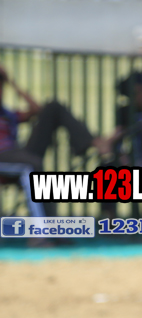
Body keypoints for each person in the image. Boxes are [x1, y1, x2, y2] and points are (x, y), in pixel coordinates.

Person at [0, 64, 110, 218]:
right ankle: (43, 227)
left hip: (17, 153)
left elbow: (36, 109)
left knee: (53, 108)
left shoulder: (7, 114)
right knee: (33, 165)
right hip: (4, 156)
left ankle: (90, 143)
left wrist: (12, 83)